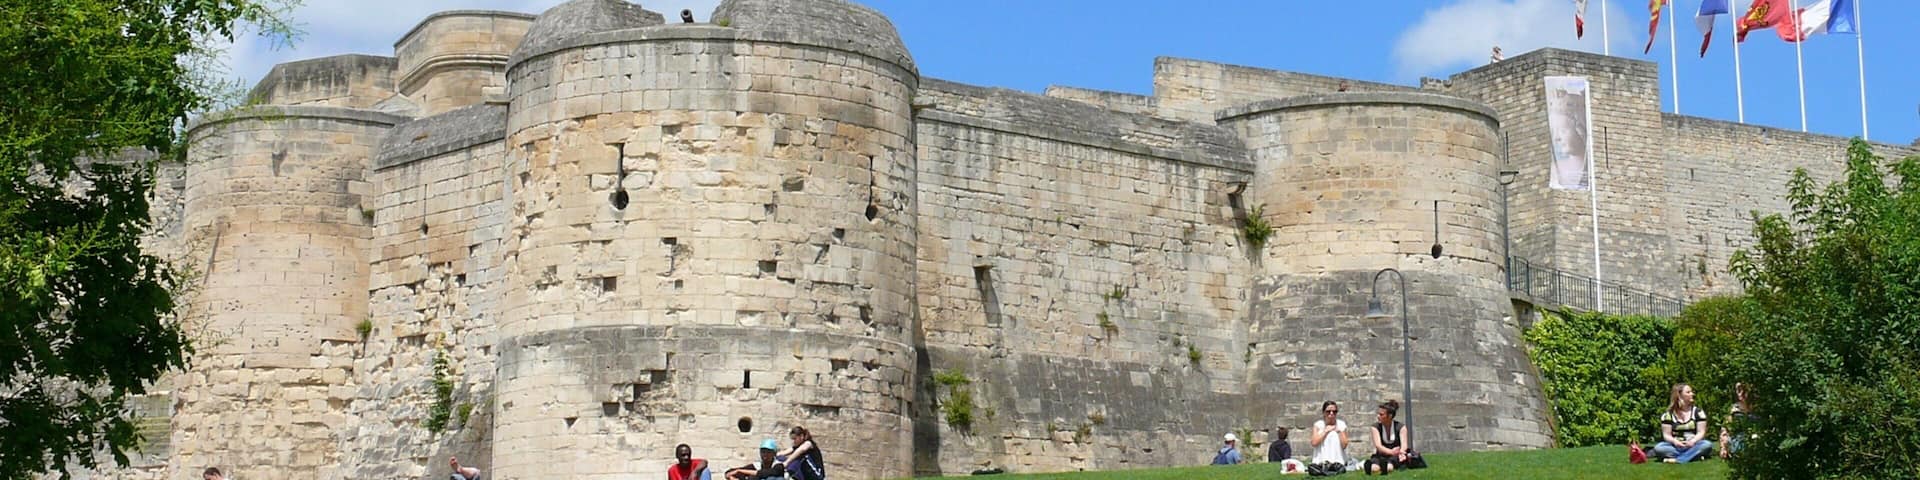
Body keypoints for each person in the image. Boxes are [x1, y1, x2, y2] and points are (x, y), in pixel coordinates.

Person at [1652, 383, 1713, 463]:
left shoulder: (1698, 412)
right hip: (1675, 446)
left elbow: (1701, 432)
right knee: (1659, 448)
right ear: (1679, 396)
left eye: (1691, 392)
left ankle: (1679, 459)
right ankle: (1693, 456)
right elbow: (1666, 435)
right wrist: (1675, 442)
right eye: (1688, 392)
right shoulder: (1668, 415)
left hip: (1694, 445)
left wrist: (1693, 441)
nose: (1692, 394)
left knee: (1707, 444)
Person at [1363, 400, 1410, 475]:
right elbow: (1378, 446)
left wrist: (1401, 452)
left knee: (1390, 466)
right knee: (1374, 468)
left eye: (1381, 414)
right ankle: (1372, 468)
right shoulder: (1375, 427)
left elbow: (1404, 445)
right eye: (1378, 414)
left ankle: (1385, 468)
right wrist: (1391, 452)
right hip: (1381, 454)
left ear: (1390, 416)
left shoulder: (1401, 427)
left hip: (1395, 455)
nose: (1378, 416)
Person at [1310, 401, 1350, 472]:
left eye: (1334, 411)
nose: (1331, 413)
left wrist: (1339, 432)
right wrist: (1325, 431)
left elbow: (1344, 445)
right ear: (1323, 412)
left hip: (1338, 461)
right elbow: (1314, 442)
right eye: (1328, 411)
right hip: (1320, 461)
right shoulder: (1318, 425)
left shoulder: (1341, 424)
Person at [1719, 382, 1754, 459]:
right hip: (1739, 439)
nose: (1740, 393)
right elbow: (1725, 429)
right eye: (1738, 390)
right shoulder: (1734, 410)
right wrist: (1723, 447)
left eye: (1743, 390)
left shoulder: (1759, 408)